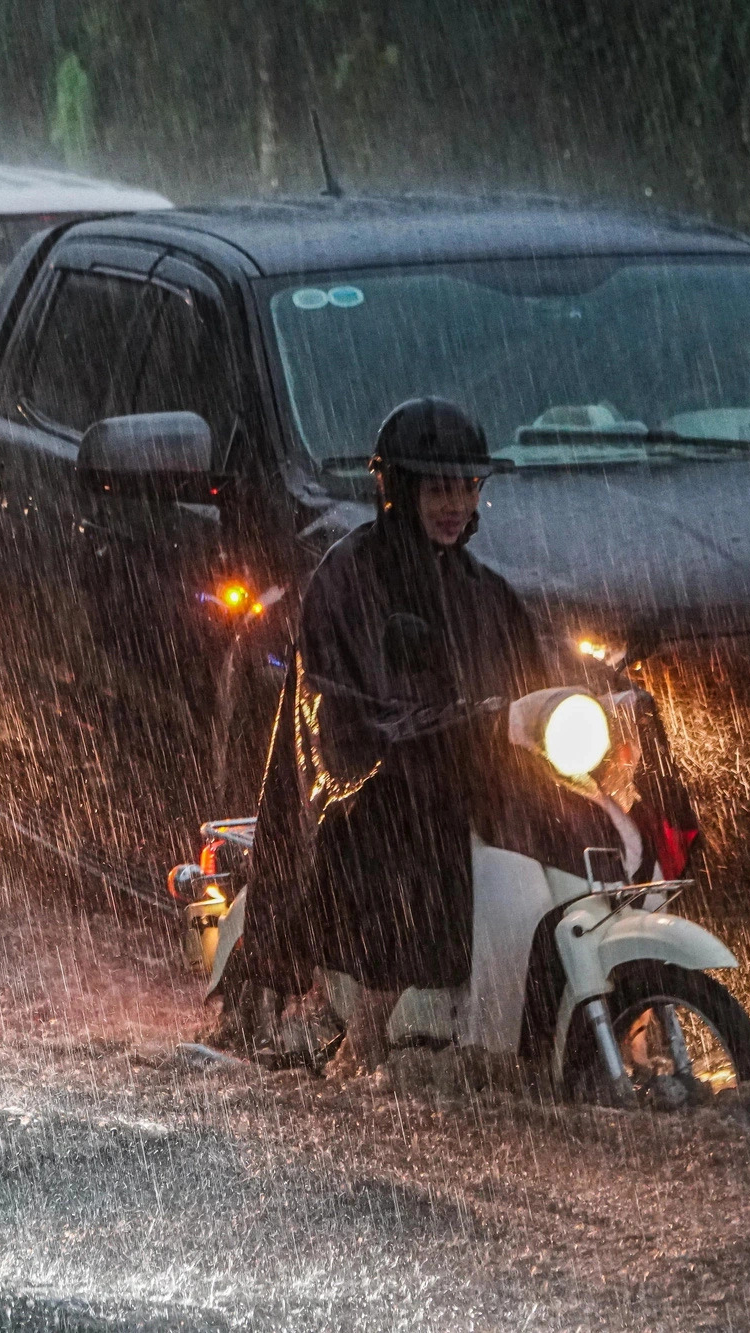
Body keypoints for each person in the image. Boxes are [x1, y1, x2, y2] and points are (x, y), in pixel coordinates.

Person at [225, 398, 627, 1077]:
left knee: (594, 827)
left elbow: (530, 684)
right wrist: (467, 730)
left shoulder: (488, 590)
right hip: (370, 799)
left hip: (471, 781)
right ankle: (366, 1039)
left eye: (468, 486)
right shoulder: (347, 579)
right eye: (439, 486)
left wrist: (602, 710)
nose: (455, 503)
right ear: (398, 488)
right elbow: (345, 724)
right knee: (414, 856)